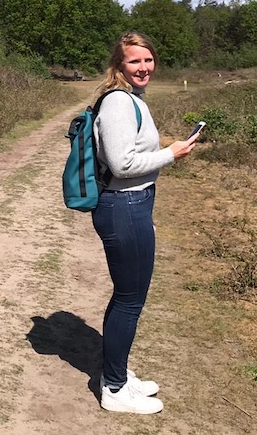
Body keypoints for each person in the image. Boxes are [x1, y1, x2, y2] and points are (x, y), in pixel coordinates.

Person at [92, 32, 199, 414]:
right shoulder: (119, 103)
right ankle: (115, 390)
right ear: (119, 65)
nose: (143, 68)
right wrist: (171, 154)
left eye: (148, 60)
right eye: (135, 61)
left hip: (134, 205)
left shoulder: (131, 99)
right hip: (123, 205)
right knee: (129, 301)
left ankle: (115, 373)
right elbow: (121, 166)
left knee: (126, 296)